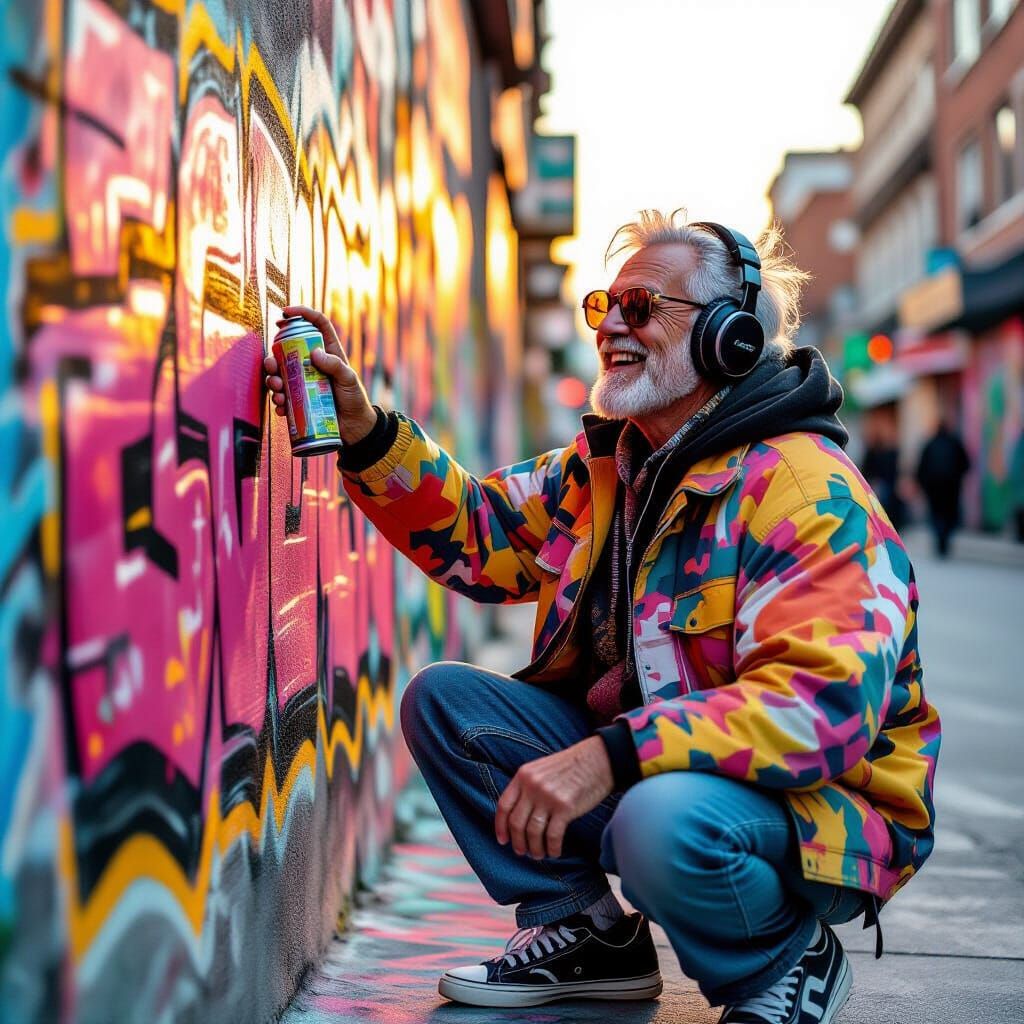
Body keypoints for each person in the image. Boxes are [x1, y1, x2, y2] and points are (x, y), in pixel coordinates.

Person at [264, 212, 941, 1024]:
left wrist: (615, 756)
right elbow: (479, 538)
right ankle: (585, 933)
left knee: (659, 821)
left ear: (730, 337)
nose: (612, 325)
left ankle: (785, 961)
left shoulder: (803, 492)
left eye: (644, 307)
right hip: (675, 774)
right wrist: (367, 434)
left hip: (823, 812)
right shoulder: (608, 466)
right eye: (604, 306)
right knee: (447, 705)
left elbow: (823, 709)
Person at [915, 420, 970, 557]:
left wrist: (922, 484)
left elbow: (921, 467)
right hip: (952, 487)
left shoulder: (930, 444)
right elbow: (966, 464)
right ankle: (944, 541)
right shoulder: (955, 443)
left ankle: (940, 541)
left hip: (933, 488)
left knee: (936, 514)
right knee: (949, 515)